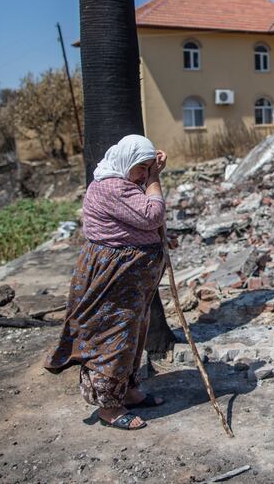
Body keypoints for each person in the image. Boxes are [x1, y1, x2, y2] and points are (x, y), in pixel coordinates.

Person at [44, 134, 176, 430]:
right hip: (113, 281)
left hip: (130, 284)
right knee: (112, 337)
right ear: (125, 162)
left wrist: (160, 238)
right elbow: (152, 213)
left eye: (146, 169)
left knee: (131, 336)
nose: (143, 176)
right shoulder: (111, 186)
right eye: (140, 168)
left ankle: (127, 391)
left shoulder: (122, 184)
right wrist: (155, 177)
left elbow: (131, 224)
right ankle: (109, 408)